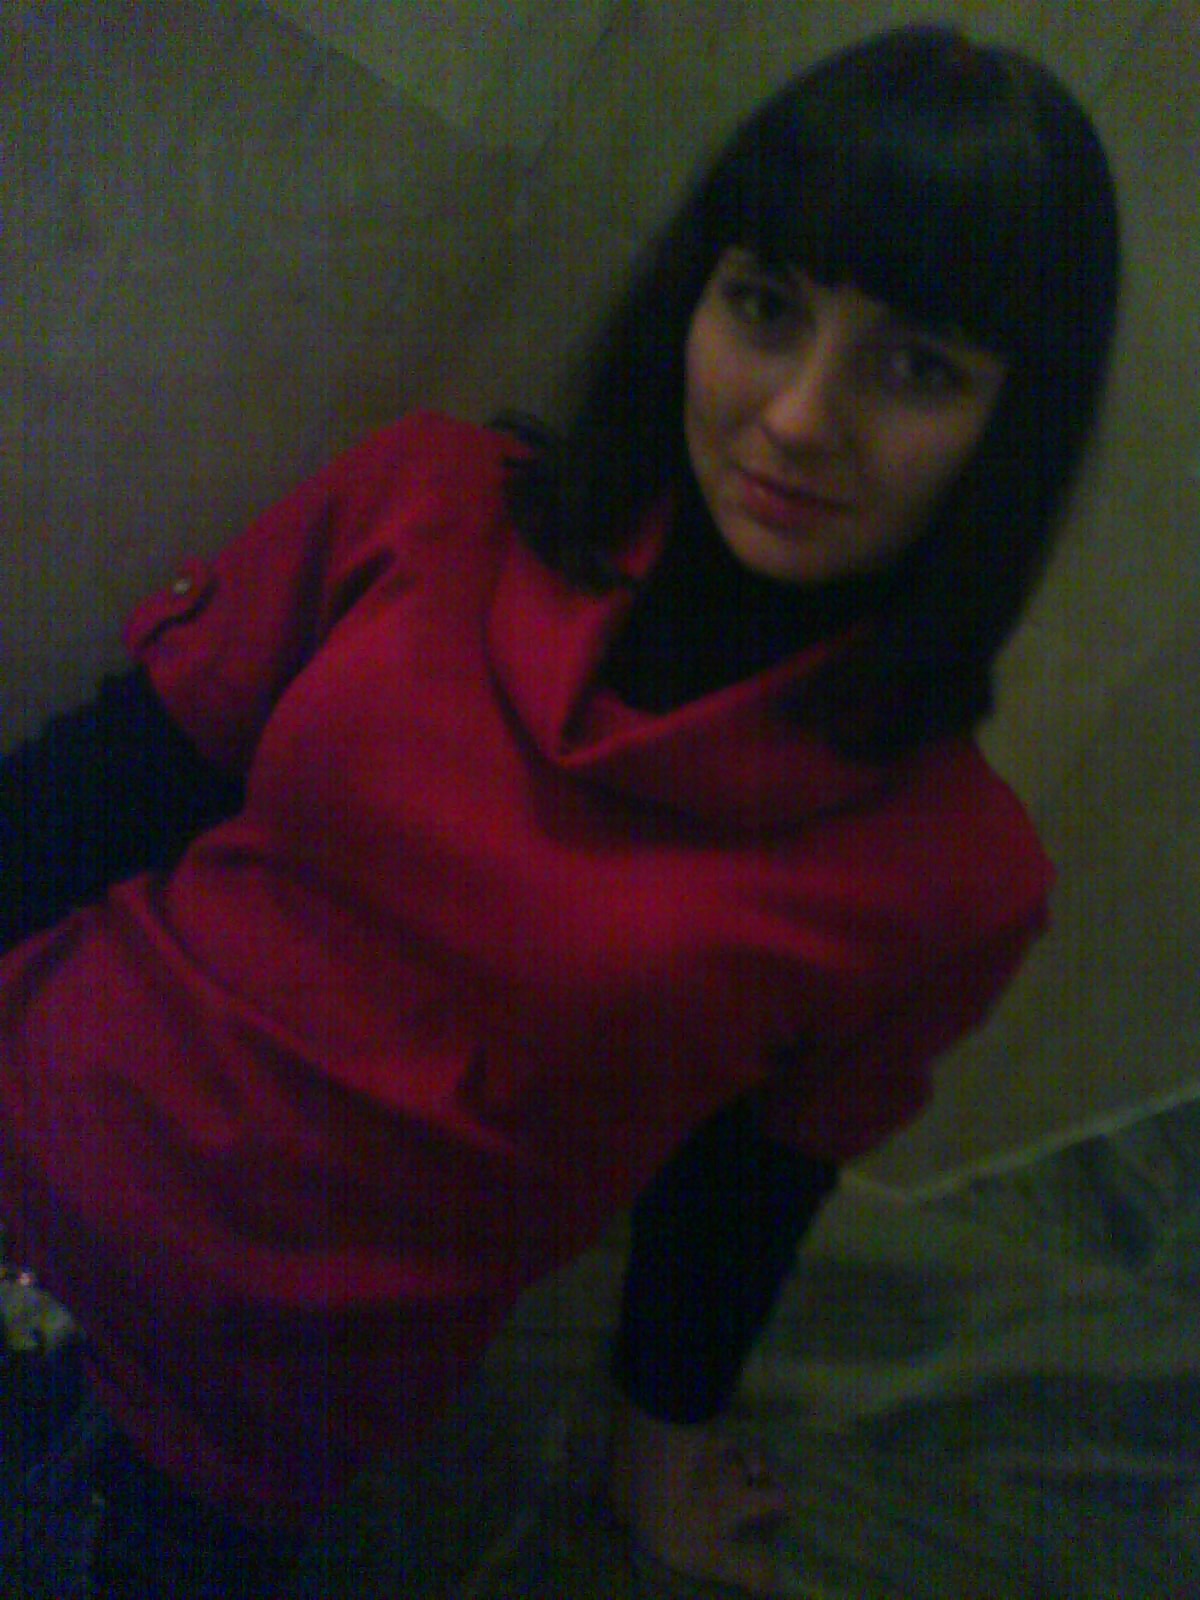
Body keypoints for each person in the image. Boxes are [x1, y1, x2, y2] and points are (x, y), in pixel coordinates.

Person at [0, 22, 1120, 1598]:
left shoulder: (949, 876)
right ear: (695, 298)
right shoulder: (434, 500)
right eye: (767, 306)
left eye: (917, 365)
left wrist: (657, 1450)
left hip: (231, 1406)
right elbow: (105, 786)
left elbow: (746, 1187)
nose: (802, 417)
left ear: (1016, 423)